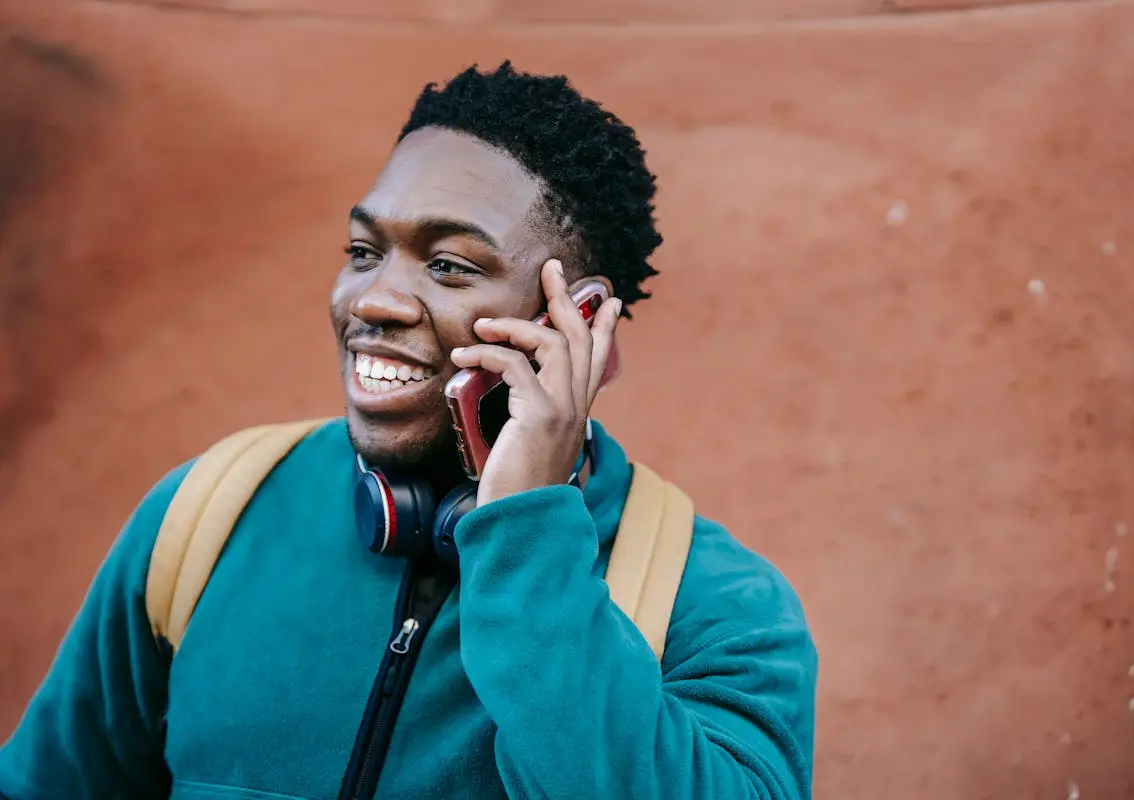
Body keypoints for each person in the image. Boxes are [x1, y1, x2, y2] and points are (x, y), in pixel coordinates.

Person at [0, 62, 818, 799]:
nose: (374, 301)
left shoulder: (716, 606)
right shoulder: (205, 516)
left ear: (577, 322)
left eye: (450, 265)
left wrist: (525, 539)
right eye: (364, 250)